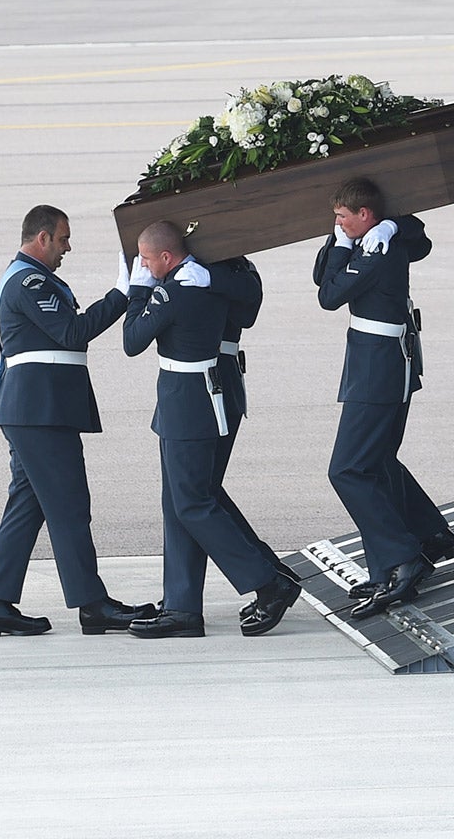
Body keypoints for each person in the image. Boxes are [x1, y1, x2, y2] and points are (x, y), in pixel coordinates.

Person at [0, 205, 153, 637]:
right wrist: (122, 293)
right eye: (62, 238)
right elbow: (72, 332)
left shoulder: (33, 280)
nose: (67, 247)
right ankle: (92, 604)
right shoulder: (28, 281)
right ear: (41, 238)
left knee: (28, 504)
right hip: (39, 411)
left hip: (37, 409)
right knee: (70, 504)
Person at [122, 221, 302, 639]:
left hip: (189, 401)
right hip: (185, 398)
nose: (145, 266)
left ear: (167, 257)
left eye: (148, 261)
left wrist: (138, 289)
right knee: (182, 500)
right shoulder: (207, 283)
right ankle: (183, 605)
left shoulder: (180, 287)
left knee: (193, 502)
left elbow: (132, 340)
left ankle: (266, 582)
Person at [314, 178, 454, 617]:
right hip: (372, 360)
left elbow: (329, 295)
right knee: (374, 462)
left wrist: (390, 229)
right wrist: (366, 233)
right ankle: (407, 552)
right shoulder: (372, 238)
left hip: (380, 367)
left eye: (343, 217)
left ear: (365, 215)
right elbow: (322, 272)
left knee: (347, 470)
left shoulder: (377, 250)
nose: (337, 224)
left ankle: (403, 559)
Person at [200, 254, 295, 606]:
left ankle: (266, 576)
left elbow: (247, 310)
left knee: (198, 494)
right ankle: (267, 567)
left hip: (216, 384)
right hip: (204, 384)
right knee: (198, 492)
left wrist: (207, 277)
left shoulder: (234, 270)